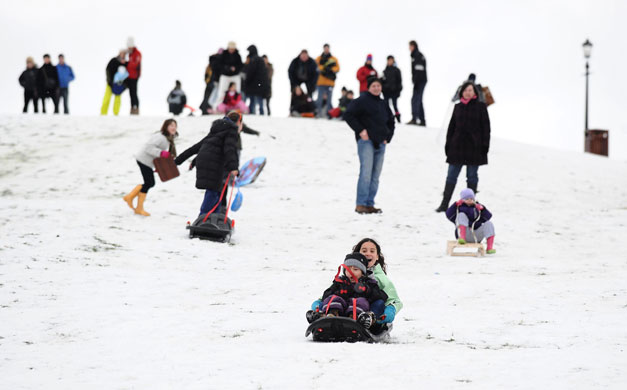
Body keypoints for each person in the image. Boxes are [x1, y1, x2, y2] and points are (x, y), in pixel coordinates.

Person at [436, 82, 491, 212]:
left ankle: (470, 206)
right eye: (465, 90)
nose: (468, 92)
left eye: (470, 90)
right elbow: (451, 128)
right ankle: (444, 204)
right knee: (451, 176)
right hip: (457, 148)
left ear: (475, 93)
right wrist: (448, 145)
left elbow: (486, 129)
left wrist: (484, 146)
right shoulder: (458, 107)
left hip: (474, 148)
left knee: (472, 177)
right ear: (461, 92)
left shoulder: (481, 107)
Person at [174, 111, 241, 216]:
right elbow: (230, 149)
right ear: (238, 123)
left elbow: (200, 146)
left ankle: (214, 217)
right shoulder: (232, 130)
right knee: (213, 191)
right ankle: (203, 217)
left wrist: (178, 161)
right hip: (214, 163)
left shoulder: (217, 130)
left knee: (217, 190)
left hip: (205, 161)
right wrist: (234, 167)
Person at [344, 77, 394, 214]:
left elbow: (391, 121)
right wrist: (360, 130)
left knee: (375, 175)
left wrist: (388, 137)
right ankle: (360, 204)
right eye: (374, 86)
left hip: (381, 143)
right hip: (366, 142)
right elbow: (348, 115)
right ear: (369, 87)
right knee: (366, 173)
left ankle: (370, 204)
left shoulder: (384, 104)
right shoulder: (361, 101)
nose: (376, 88)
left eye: (378, 86)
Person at [307, 252, 387, 329]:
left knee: (359, 301)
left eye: (355, 269)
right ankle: (328, 316)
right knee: (333, 298)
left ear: (362, 272)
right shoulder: (340, 282)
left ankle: (360, 319)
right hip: (340, 310)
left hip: (358, 311)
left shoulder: (368, 282)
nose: (351, 272)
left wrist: (367, 290)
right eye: (348, 270)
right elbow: (325, 295)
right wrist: (339, 293)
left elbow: (381, 296)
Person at [123, 119, 179, 216]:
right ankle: (134, 203)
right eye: (171, 125)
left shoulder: (168, 138)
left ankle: (132, 199)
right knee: (149, 183)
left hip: (149, 162)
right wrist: (160, 153)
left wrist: (160, 166)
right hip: (143, 160)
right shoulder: (161, 137)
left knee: (149, 183)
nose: (173, 128)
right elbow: (148, 148)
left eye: (175, 125)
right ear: (166, 127)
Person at [352, 237, 402, 326]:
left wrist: (390, 311)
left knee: (379, 303)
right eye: (364, 251)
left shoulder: (381, 279)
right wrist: (319, 303)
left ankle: (369, 318)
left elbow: (394, 300)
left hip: (372, 314)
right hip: (350, 309)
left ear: (377, 256)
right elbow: (331, 292)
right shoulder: (349, 276)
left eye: (372, 251)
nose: (367, 254)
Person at [445, 188, 496, 254]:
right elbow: (448, 214)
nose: (469, 200)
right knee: (461, 215)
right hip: (465, 233)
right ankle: (462, 237)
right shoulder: (459, 207)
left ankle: (489, 248)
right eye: (466, 199)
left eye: (471, 199)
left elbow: (488, 217)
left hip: (476, 236)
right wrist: (455, 205)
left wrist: (483, 209)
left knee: (489, 223)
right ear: (462, 200)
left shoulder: (477, 207)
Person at [242, 45, 269, 115]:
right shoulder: (260, 59)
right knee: (259, 102)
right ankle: (261, 115)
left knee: (253, 102)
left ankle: (253, 114)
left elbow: (251, 72)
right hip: (259, 85)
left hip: (254, 85)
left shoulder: (254, 59)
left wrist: (246, 81)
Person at [315, 43, 340, 117]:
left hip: (330, 83)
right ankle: (318, 114)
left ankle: (329, 115)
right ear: (323, 49)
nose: (326, 49)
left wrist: (330, 70)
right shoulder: (319, 58)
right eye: (325, 48)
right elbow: (316, 67)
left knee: (329, 100)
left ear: (329, 49)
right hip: (320, 83)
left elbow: (337, 68)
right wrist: (324, 69)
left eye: (327, 48)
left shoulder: (334, 59)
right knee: (319, 99)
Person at [215, 42, 243, 106]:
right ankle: (219, 106)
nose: (231, 50)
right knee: (222, 91)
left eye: (233, 49)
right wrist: (227, 68)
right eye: (230, 49)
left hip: (235, 75)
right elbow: (219, 65)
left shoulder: (238, 55)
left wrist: (235, 68)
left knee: (237, 91)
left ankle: (238, 106)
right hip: (225, 75)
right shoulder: (223, 55)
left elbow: (240, 66)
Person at [101, 49, 127, 115]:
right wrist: (109, 81)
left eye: (124, 53)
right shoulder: (113, 60)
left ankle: (116, 114)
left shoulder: (125, 63)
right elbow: (108, 70)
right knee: (106, 98)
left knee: (117, 100)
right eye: (122, 53)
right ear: (119, 53)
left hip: (119, 85)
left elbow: (127, 75)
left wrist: (124, 86)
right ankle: (103, 113)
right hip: (110, 83)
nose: (123, 55)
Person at [408, 40, 427, 126]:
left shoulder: (417, 55)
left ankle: (415, 118)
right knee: (418, 99)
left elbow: (419, 70)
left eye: (410, 46)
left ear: (413, 46)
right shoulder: (415, 55)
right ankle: (422, 120)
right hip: (419, 81)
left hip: (420, 81)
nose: (409, 48)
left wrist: (416, 81)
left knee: (415, 99)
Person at [200, 49, 223, 115]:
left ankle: (206, 109)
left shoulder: (210, 63)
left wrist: (207, 81)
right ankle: (208, 109)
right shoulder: (218, 62)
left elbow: (206, 75)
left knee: (208, 96)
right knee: (212, 96)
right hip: (214, 82)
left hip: (210, 82)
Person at [381, 55, 402, 123]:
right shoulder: (384, 71)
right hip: (386, 92)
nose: (390, 61)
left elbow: (399, 81)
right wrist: (383, 89)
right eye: (388, 60)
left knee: (395, 105)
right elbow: (381, 81)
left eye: (391, 60)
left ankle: (398, 118)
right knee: (386, 105)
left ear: (393, 61)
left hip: (394, 92)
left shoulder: (397, 70)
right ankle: (387, 118)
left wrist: (398, 90)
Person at [126, 37, 142, 115]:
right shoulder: (129, 54)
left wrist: (127, 64)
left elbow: (135, 64)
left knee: (134, 92)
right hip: (129, 76)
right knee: (131, 93)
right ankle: (132, 107)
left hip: (134, 77)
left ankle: (136, 108)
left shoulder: (137, 53)